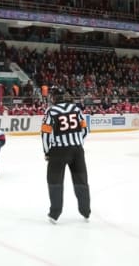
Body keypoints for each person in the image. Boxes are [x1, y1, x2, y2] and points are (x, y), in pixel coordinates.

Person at [41, 87, 90, 224]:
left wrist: (47, 151)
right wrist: (78, 143)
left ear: (54, 98)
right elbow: (85, 130)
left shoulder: (51, 111)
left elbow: (45, 134)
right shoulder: (76, 109)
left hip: (58, 151)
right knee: (81, 180)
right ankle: (85, 211)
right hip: (77, 150)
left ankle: (55, 213)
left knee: (54, 181)